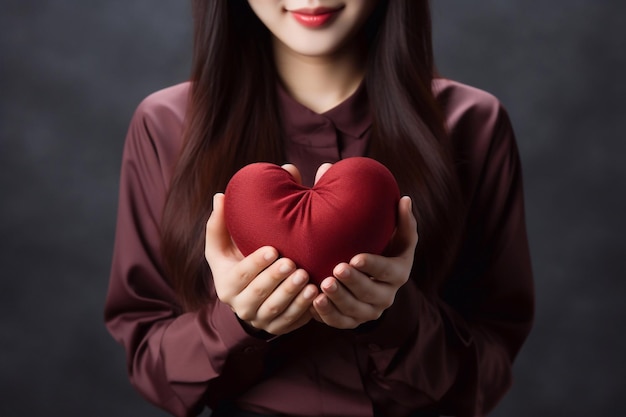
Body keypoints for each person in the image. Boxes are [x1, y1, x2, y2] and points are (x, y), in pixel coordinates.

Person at [104, 1, 534, 416]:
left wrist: (393, 318)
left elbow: (487, 373)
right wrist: (236, 322)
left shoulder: (472, 124)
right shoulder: (166, 126)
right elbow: (151, 365)